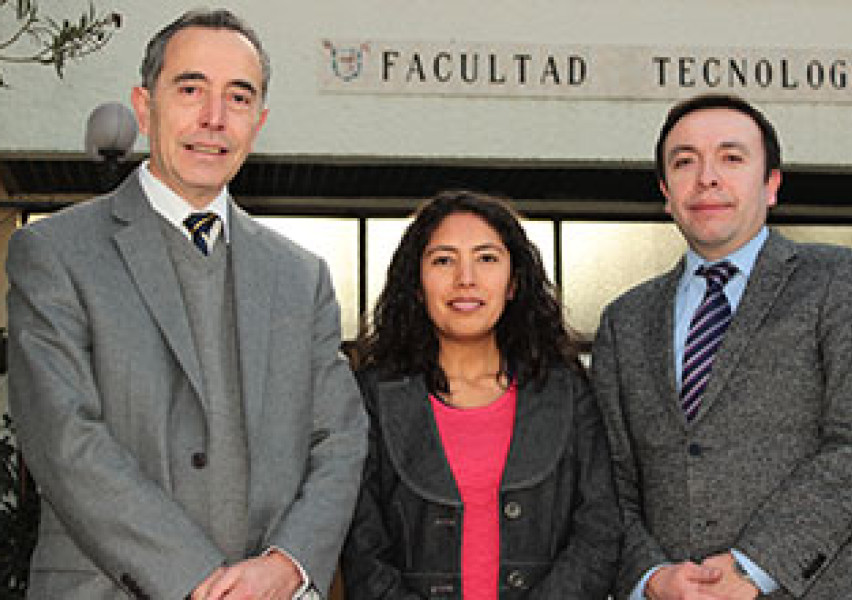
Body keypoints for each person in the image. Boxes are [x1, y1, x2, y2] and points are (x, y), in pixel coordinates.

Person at [6, 9, 367, 600]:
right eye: (191, 88)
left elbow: (341, 438)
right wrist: (200, 581)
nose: (214, 118)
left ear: (259, 121)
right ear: (144, 106)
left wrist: (287, 565)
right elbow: (65, 438)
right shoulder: (54, 253)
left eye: (239, 97)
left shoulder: (301, 277)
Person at [592, 92, 852, 600]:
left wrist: (753, 568)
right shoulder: (624, 321)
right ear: (666, 192)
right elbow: (610, 484)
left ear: (771, 184)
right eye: (685, 162)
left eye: (731, 158)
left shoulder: (841, 281)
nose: (707, 178)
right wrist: (651, 577)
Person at [341, 190, 621, 599]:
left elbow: (600, 529)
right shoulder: (371, 396)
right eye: (443, 260)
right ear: (416, 285)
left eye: (487, 258)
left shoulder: (567, 390)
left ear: (513, 283)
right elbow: (360, 548)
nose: (466, 279)